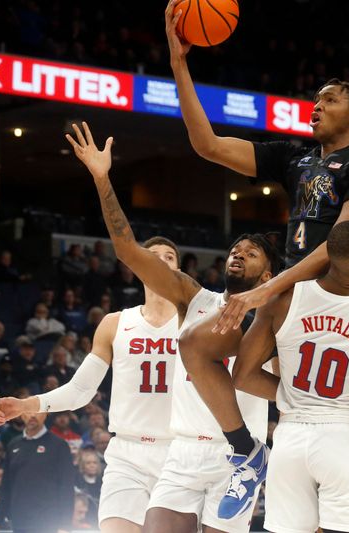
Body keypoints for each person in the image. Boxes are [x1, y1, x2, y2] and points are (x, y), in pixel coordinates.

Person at [164, 2, 349, 510]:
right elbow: (206, 145)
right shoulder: (295, 156)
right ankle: (247, 452)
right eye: (315, 99)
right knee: (201, 349)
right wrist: (181, 63)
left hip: (334, 294)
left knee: (258, 370)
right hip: (289, 290)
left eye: (328, 100)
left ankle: (323, 415)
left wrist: (270, 286)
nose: (316, 105)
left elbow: (347, 240)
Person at [64, 122, 277, 533]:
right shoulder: (195, 298)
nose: (238, 254)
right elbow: (127, 250)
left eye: (250, 254)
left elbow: (286, 388)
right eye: (235, 249)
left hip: (237, 460)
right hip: (181, 453)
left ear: (267, 274)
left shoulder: (273, 320)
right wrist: (102, 179)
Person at [231, 221, 349, 532]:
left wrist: (293, 396)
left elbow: (243, 376)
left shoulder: (282, 299)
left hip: (290, 439)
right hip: (345, 440)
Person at [0, 235, 181, 533]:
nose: (160, 260)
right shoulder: (116, 323)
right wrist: (28, 404)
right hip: (127, 453)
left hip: (178, 452)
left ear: (179, 270)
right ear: (138, 266)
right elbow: (81, 389)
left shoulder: (198, 324)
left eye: (169, 256)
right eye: (152, 255)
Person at [0, 411, 74, 533]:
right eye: (28, 412)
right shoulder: (13, 445)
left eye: (37, 412)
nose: (32, 416)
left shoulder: (59, 445)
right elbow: (6, 487)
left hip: (49, 522)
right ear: (22, 415)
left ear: (45, 415)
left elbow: (66, 487)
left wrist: (65, 525)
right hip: (20, 521)